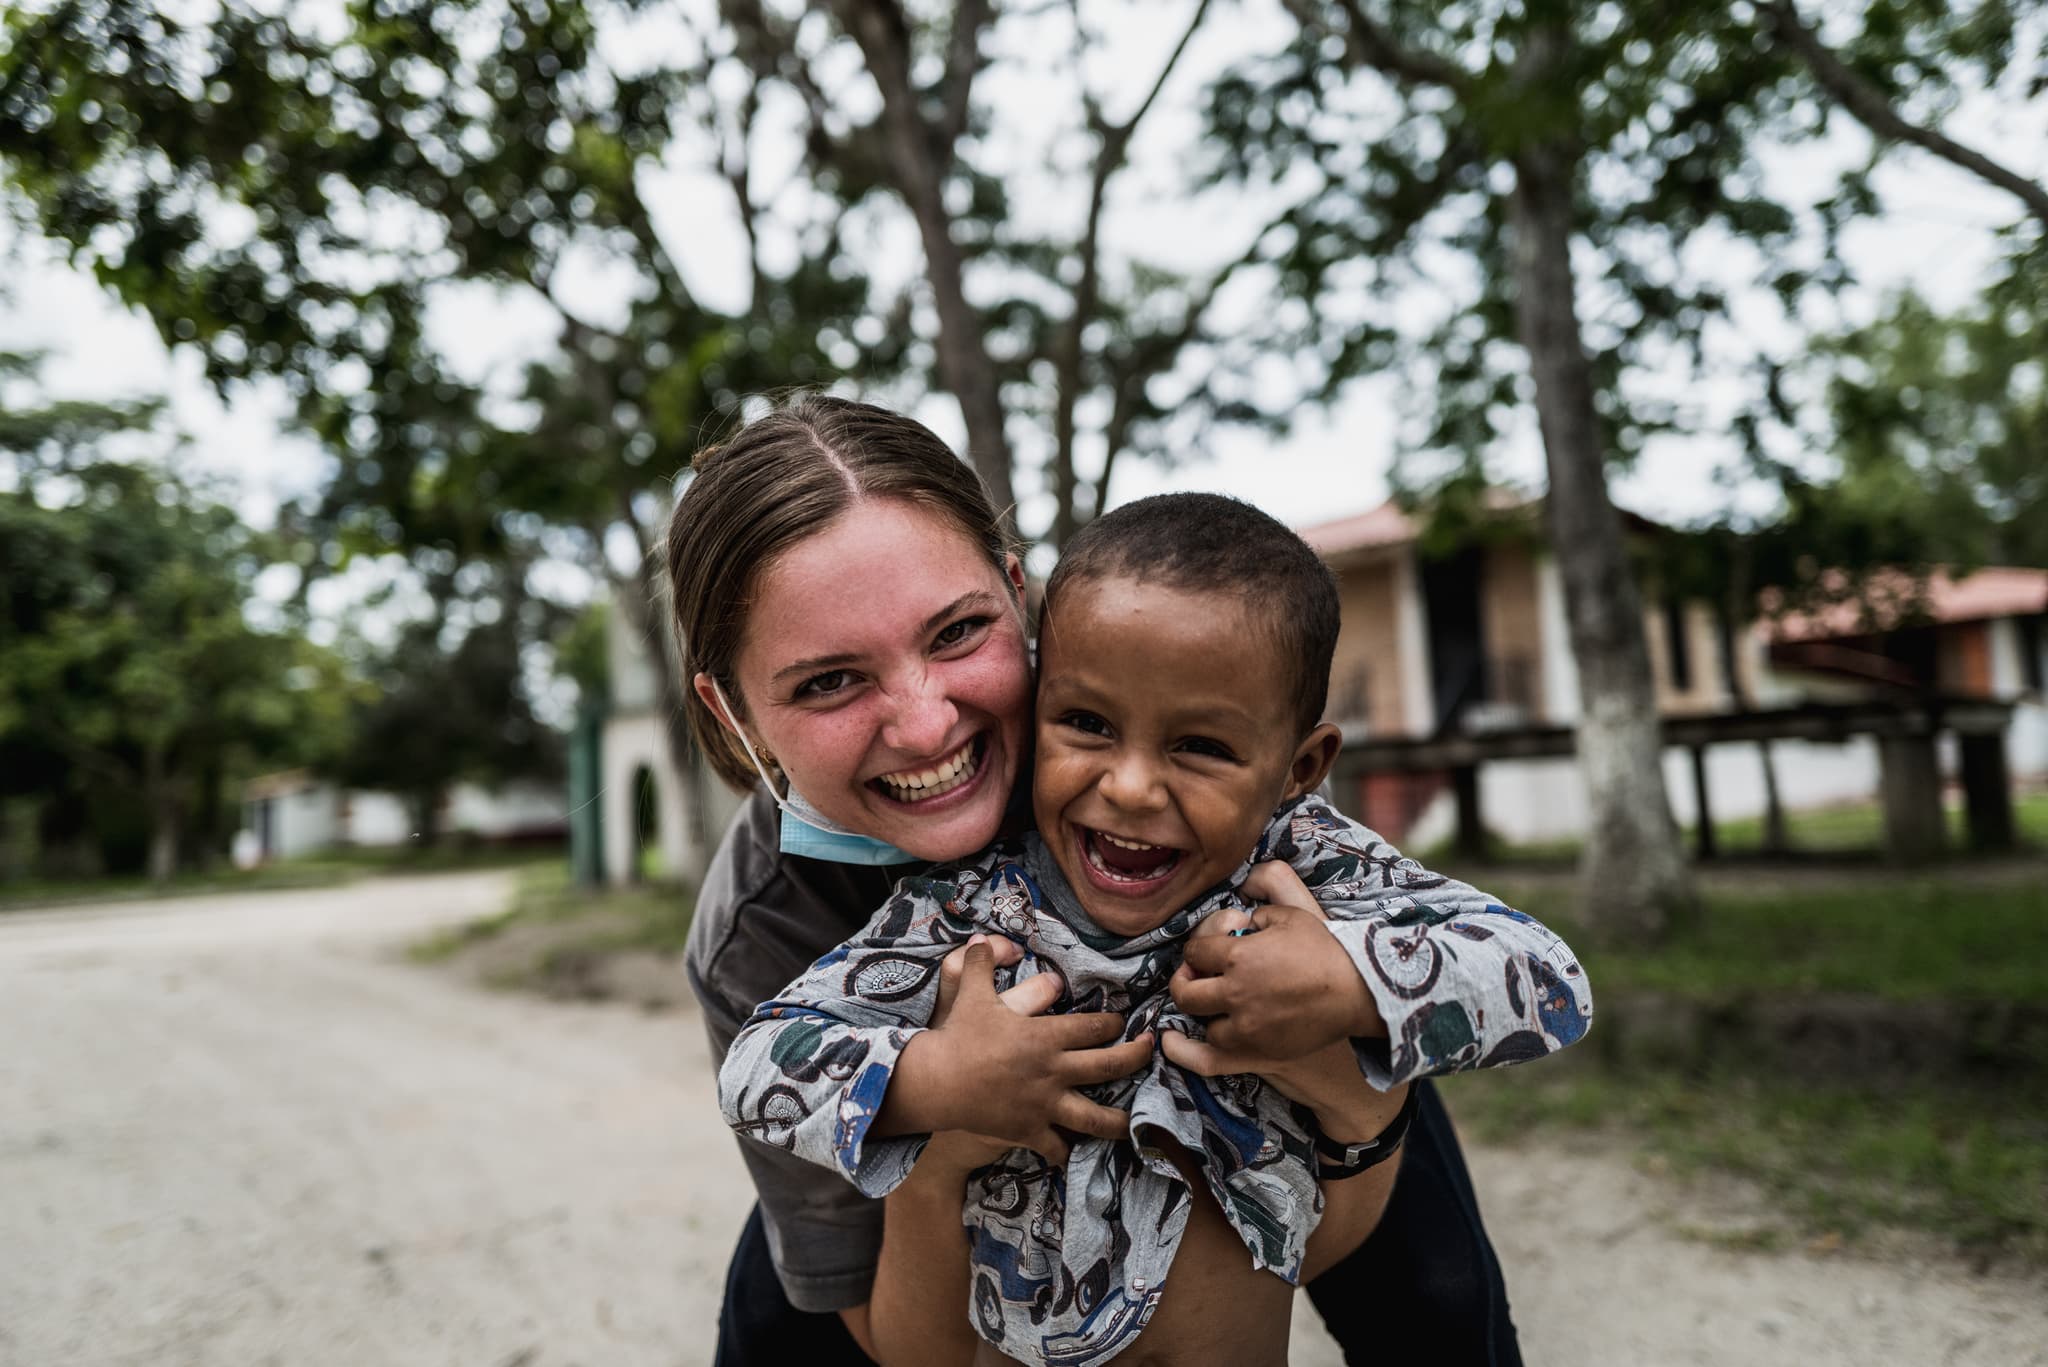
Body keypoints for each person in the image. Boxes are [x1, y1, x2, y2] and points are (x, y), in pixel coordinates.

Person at [669, 395, 1539, 1366]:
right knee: (784, 1320)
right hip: (915, 1157)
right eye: (828, 679)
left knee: (1440, 1300)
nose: (925, 727)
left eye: (956, 631)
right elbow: (896, 1327)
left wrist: (1356, 1095)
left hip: (1278, 1089)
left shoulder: (1157, 744)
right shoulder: (763, 921)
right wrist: (936, 1102)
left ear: (1015, 596)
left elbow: (1515, 983)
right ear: (729, 701)